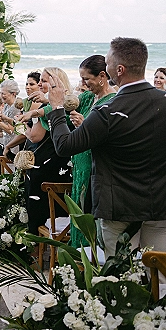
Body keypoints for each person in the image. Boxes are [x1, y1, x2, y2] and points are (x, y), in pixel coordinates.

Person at [46, 37, 166, 260]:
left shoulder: (108, 112)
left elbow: (65, 145)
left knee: (120, 275)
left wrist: (56, 108)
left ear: (119, 70)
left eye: (108, 61)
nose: (106, 65)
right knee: (159, 276)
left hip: (118, 209)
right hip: (160, 205)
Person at [66, 55, 116, 248]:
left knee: (87, 211)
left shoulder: (111, 101)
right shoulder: (89, 97)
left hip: (95, 167)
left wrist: (84, 125)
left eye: (87, 78)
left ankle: (89, 258)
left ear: (102, 76)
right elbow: (65, 106)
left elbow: (108, 136)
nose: (83, 83)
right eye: (81, 78)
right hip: (80, 164)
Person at [18, 67, 73, 234]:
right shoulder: (47, 104)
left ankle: (39, 242)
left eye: (44, 80)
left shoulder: (66, 103)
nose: (40, 84)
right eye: (40, 80)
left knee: (42, 201)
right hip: (50, 160)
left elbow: (35, 135)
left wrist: (31, 114)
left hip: (55, 162)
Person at [3, 72, 42, 158]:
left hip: (34, 147)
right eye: (26, 84)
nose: (27, 87)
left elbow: (24, 132)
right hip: (26, 145)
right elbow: (19, 126)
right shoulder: (27, 102)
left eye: (32, 84)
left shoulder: (37, 105)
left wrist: (8, 146)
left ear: (40, 85)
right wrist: (5, 118)